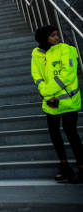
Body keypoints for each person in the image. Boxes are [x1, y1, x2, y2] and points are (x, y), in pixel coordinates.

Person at [31, 25, 82, 183]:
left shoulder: (65, 49)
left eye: (56, 35)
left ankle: (82, 168)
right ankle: (65, 167)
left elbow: (68, 74)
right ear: (44, 37)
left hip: (68, 100)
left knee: (71, 133)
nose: (56, 38)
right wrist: (47, 95)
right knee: (55, 135)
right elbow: (37, 75)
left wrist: (47, 92)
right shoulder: (36, 53)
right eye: (52, 36)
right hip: (50, 103)